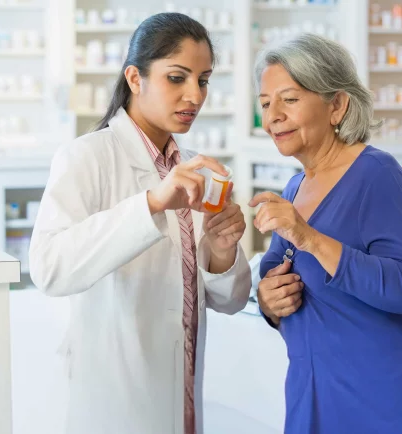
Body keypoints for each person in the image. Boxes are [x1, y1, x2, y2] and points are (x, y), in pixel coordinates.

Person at [29, 12, 252, 434]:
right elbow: (49, 268)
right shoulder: (87, 157)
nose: (194, 96)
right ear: (135, 78)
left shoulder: (191, 169)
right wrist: (150, 205)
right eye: (176, 78)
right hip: (116, 401)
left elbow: (229, 301)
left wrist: (222, 254)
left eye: (203, 80)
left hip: (181, 397)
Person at [249, 34, 402, 434]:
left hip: (379, 401)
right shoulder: (295, 188)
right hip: (314, 396)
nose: (272, 115)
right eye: (265, 104)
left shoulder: (378, 176)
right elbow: (277, 285)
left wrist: (310, 238)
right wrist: (269, 301)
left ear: (337, 105)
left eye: (289, 100)